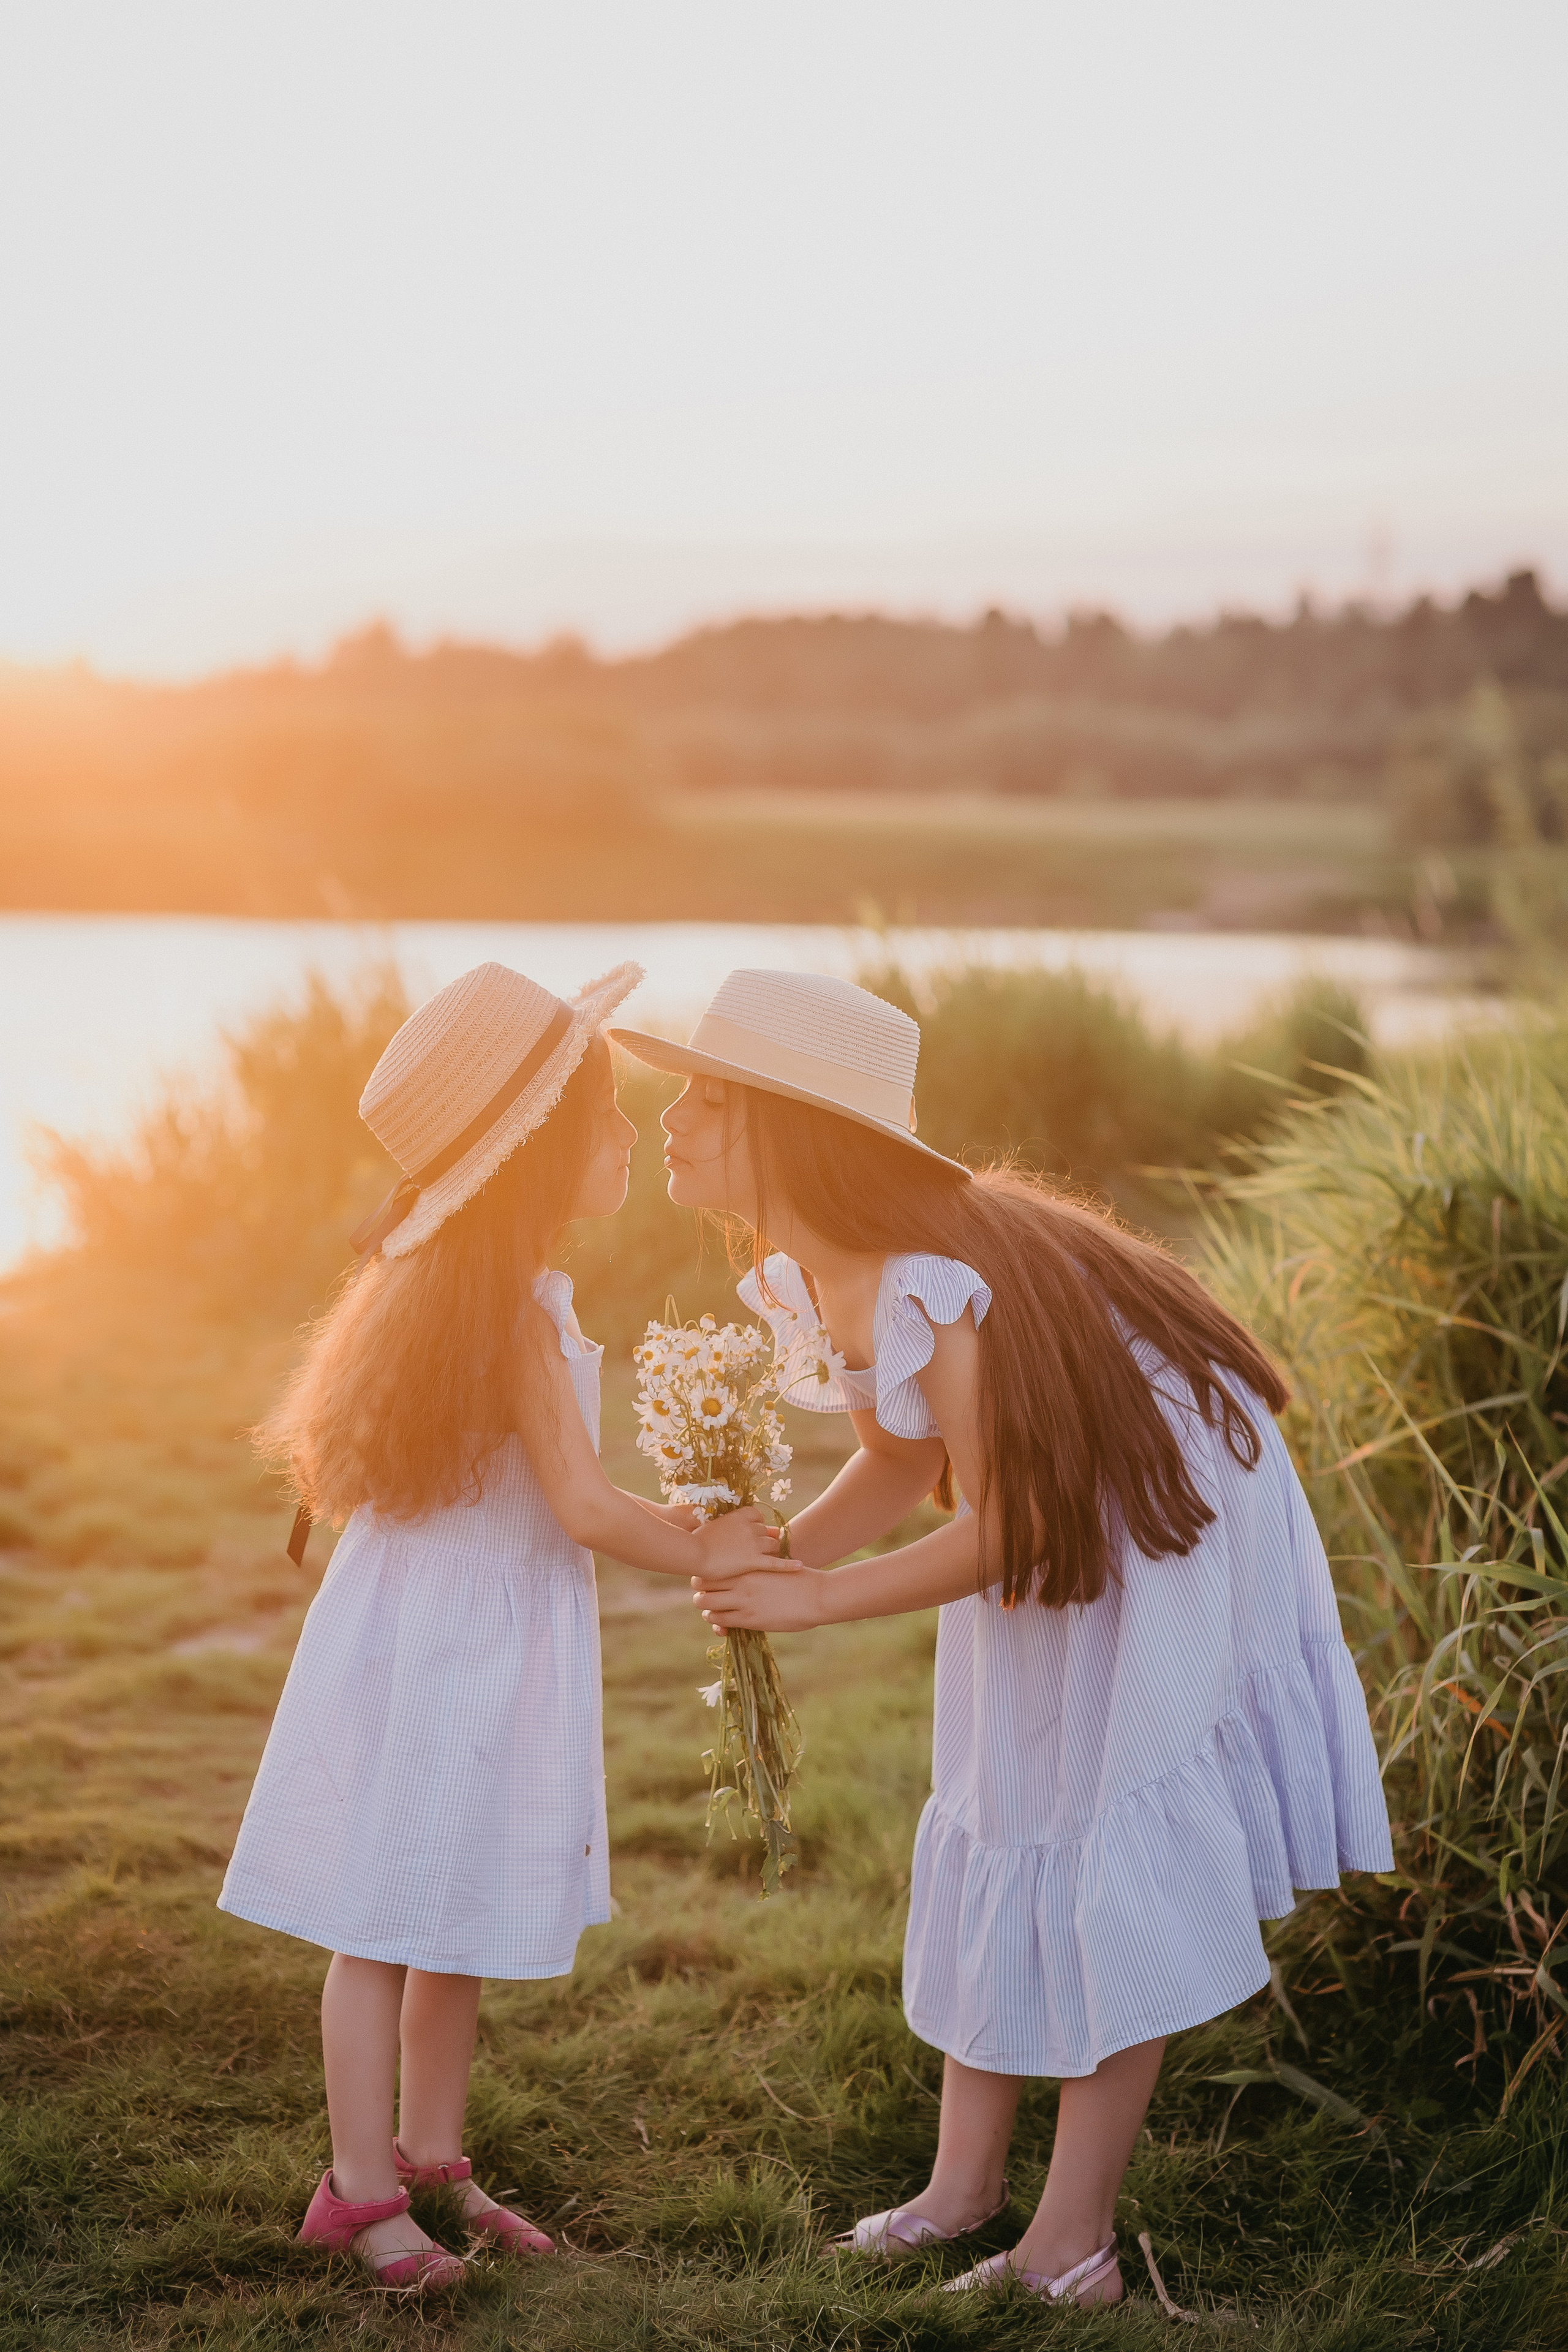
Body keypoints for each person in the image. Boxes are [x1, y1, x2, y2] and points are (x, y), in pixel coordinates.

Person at [610, 967, 1392, 2312]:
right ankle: (961, 2191)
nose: (670, 1116)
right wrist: (786, 1548)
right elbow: (904, 1459)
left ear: (793, 1128)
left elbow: (1011, 1532)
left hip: (1160, 1501)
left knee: (1099, 1821)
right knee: (993, 1802)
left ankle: (1067, 2246)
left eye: (707, 1095)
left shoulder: (926, 1274)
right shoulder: (814, 1268)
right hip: (1053, 1498)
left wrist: (812, 1603)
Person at [219, 961, 777, 2294]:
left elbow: (551, 1495)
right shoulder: (511, 1306)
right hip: (448, 1641)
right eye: (600, 1119)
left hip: (445, 1627)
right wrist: (712, 1543)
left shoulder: (469, 1279)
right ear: (531, 1154)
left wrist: (705, 1522)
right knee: (383, 1917)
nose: (627, 1135)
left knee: (446, 1906)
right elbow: (582, 1505)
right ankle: (355, 2194)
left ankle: (430, 2154)